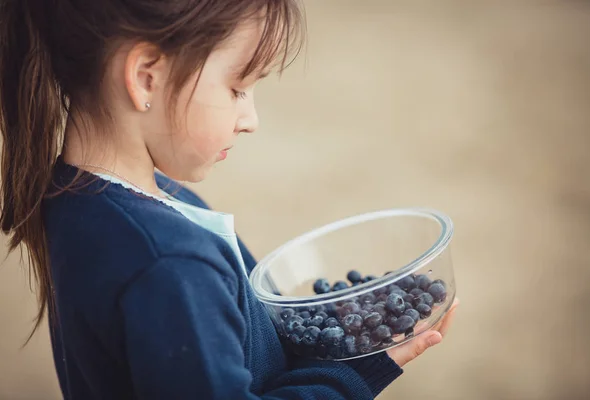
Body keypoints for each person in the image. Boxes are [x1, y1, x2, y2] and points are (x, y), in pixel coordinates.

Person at [0, 0, 459, 398]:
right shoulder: (168, 261)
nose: (250, 119)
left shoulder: (80, 198)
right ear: (145, 78)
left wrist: (337, 329)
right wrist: (351, 374)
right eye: (238, 88)